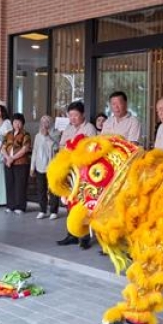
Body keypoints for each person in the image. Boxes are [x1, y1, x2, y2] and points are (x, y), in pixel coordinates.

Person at [56, 101, 97, 248]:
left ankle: (84, 236)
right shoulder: (68, 128)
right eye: (70, 115)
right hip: (70, 171)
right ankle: (71, 234)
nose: (73, 118)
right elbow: (62, 146)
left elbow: (92, 149)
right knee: (70, 202)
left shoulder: (89, 128)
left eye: (75, 115)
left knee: (83, 203)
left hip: (84, 172)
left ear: (82, 115)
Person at [30, 115, 60, 220]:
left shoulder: (56, 133)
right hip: (39, 166)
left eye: (47, 121)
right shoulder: (38, 136)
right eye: (42, 121)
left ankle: (54, 210)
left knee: (53, 189)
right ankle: (42, 209)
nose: (45, 123)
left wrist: (47, 136)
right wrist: (32, 167)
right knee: (41, 189)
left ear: (51, 122)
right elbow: (35, 151)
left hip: (51, 165)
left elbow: (56, 147)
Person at [1, 113, 32, 214]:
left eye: (19, 122)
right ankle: (10, 205)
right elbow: (3, 148)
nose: (17, 124)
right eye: (15, 122)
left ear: (22, 123)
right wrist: (7, 158)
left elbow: (25, 149)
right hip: (8, 163)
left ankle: (20, 207)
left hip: (21, 163)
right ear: (12, 123)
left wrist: (12, 158)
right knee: (9, 184)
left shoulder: (26, 134)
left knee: (20, 185)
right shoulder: (8, 134)